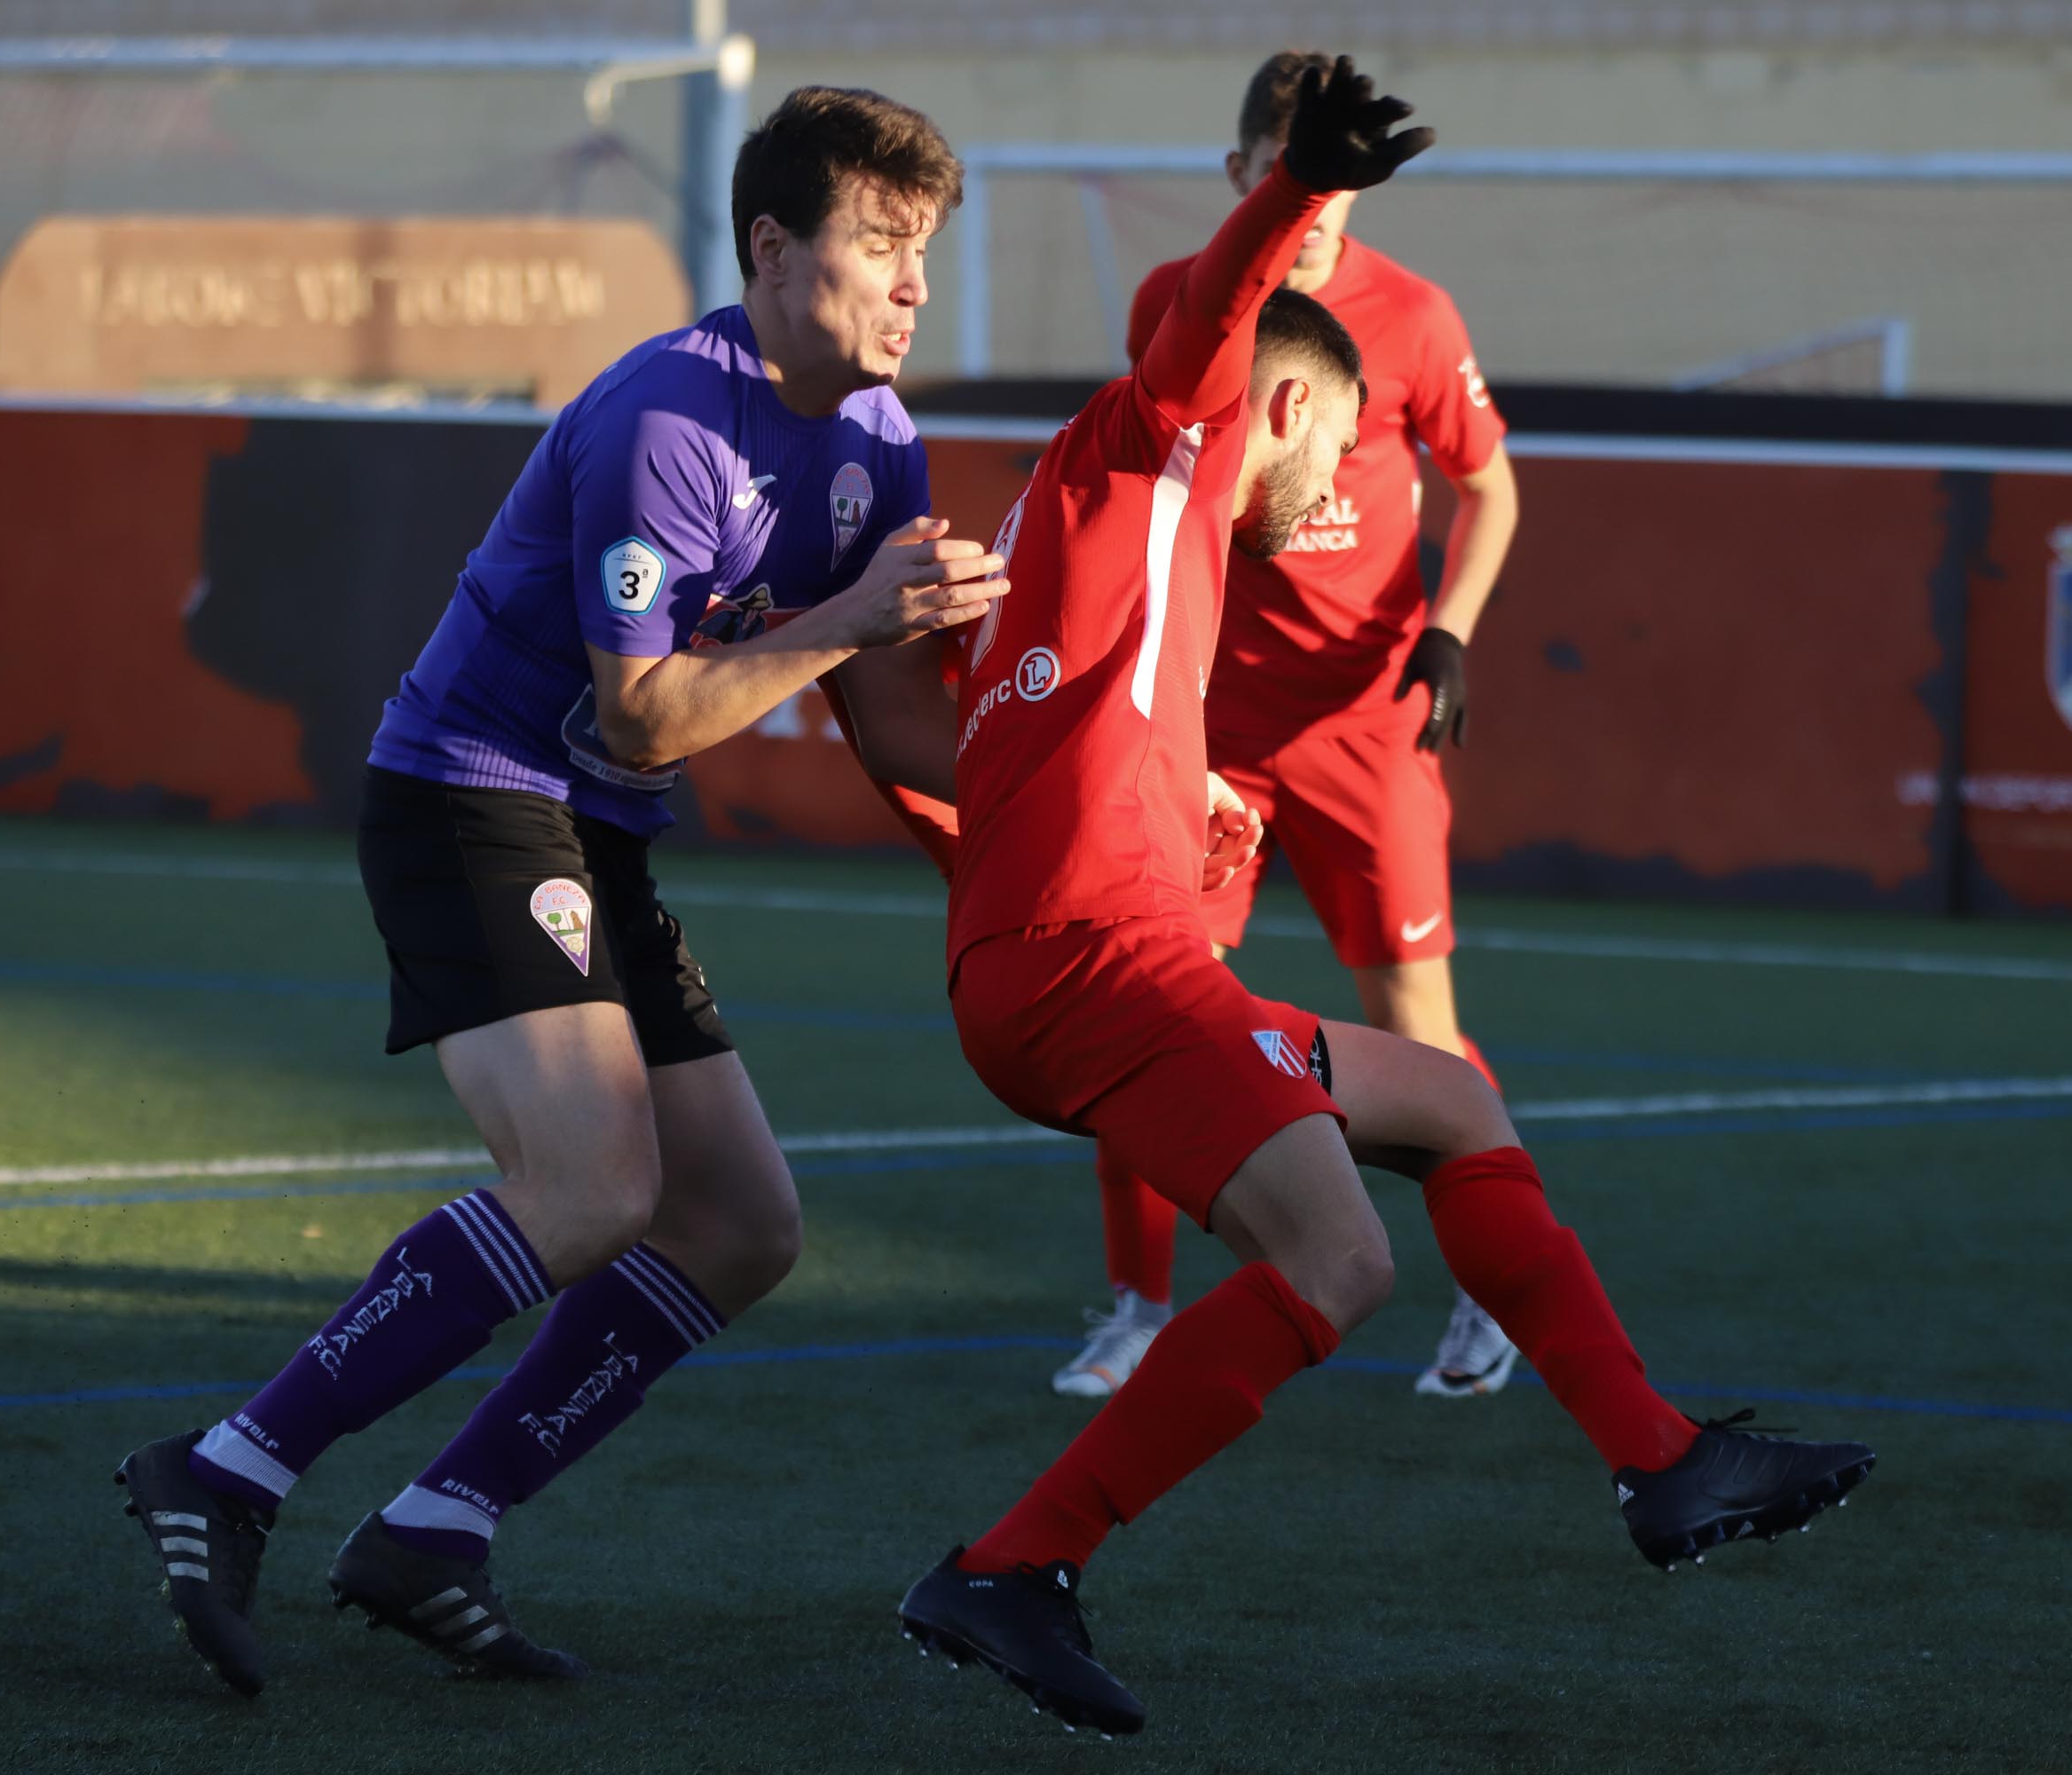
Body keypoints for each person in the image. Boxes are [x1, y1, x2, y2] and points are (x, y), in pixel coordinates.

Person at [872, 60, 1875, 1738]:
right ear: (1277, 407)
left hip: (1070, 957)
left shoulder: (1101, 529)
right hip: (1094, 966)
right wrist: (1290, 198)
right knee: (1338, 1264)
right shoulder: (1162, 442)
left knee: (1451, 1098)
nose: (1328, 488)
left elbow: (955, 759)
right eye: (1328, 441)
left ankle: (1663, 1466)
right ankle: (1011, 1567)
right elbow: (1208, 328)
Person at [113, 88, 1004, 1696]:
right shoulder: (674, 414)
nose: (913, 286)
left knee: (740, 1224)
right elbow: (649, 713)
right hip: (468, 794)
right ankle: (233, 1466)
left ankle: (437, 1524)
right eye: (882, 247)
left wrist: (1020, 850)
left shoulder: (875, 440)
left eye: (924, 252)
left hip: (594, 833)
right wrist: (862, 611)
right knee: (592, 1190)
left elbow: (889, 715)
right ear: (771, 248)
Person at [1046, 49, 1528, 1404]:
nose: (1311, 218)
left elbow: (1491, 491)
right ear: (1243, 180)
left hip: (1369, 724)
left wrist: (1450, 632)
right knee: (1148, 1014)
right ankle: (1139, 1308)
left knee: (1420, 1030)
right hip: (1211, 730)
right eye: (1285, 186)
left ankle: (1492, 1299)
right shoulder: (1181, 301)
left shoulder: (1417, 319)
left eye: (1333, 196)